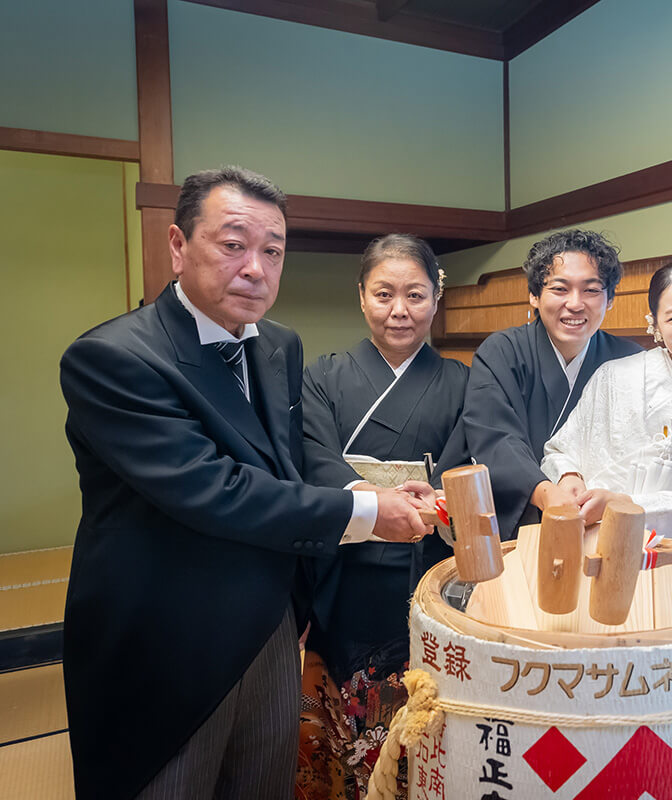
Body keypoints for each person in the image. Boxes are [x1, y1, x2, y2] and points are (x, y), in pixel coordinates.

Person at [58, 167, 433, 800]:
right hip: (166, 634)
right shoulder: (115, 359)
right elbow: (214, 489)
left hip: (268, 620)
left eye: (272, 250)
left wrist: (363, 493)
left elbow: (289, 460)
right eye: (233, 244)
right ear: (178, 245)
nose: (255, 268)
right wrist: (367, 514)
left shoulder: (277, 345)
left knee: (260, 783)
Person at [295, 235, 468, 798]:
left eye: (415, 295)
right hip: (344, 572)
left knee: (418, 724)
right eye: (384, 294)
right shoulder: (322, 376)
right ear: (361, 297)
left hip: (424, 569)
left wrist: (434, 495)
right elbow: (311, 455)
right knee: (339, 727)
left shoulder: (462, 383)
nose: (400, 310)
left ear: (435, 299)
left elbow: (469, 461)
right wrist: (372, 499)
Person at [420, 229, 641, 574]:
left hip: (600, 531)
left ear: (610, 299)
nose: (575, 303)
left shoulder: (631, 362)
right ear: (534, 296)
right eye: (559, 288)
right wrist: (547, 493)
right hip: (519, 529)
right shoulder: (502, 352)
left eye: (591, 289)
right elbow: (495, 437)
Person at [541, 258, 672, 538]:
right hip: (589, 538)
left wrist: (627, 505)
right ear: (654, 323)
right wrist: (569, 476)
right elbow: (562, 450)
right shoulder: (614, 376)